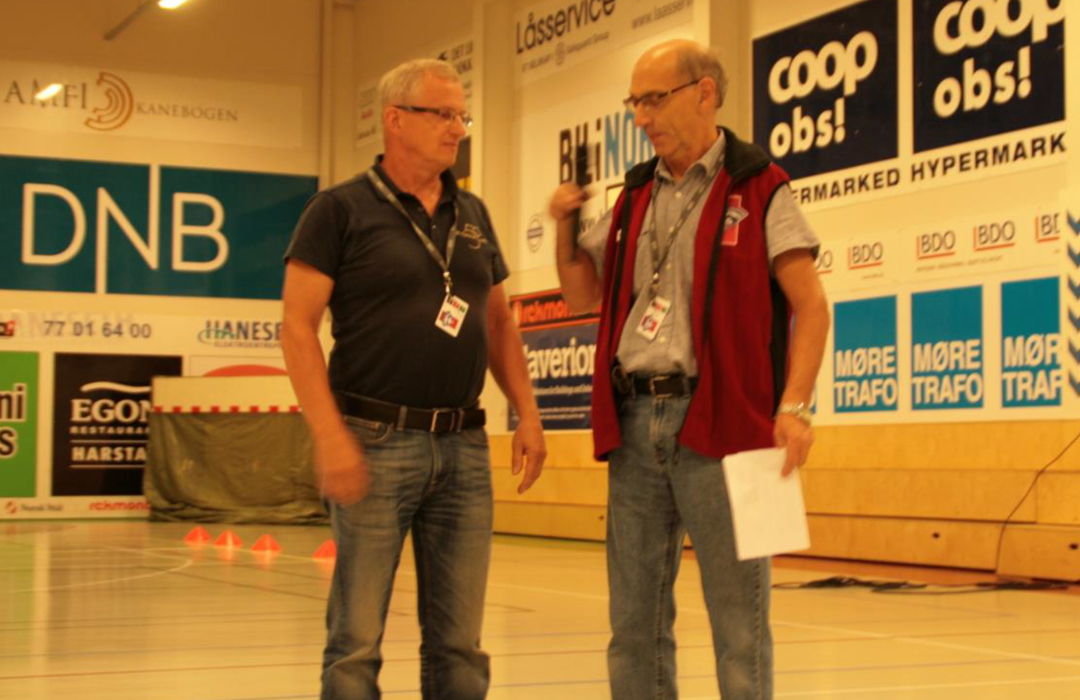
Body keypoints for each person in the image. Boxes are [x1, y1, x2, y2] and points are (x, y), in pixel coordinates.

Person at [548, 40, 829, 699]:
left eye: (654, 99)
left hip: (725, 424)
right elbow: (582, 294)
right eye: (635, 103)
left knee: (739, 623)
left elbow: (812, 307)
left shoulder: (760, 185)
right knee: (634, 625)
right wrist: (562, 224)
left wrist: (794, 406)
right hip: (635, 422)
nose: (641, 118)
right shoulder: (634, 196)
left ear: (706, 94)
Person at [281, 58, 546, 700]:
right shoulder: (338, 210)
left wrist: (529, 413)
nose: (458, 128)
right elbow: (296, 327)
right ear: (395, 120)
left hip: (464, 448)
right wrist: (330, 435)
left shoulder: (472, 212)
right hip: (374, 440)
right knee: (356, 643)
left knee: (460, 646)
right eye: (443, 114)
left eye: (462, 116)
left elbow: (498, 321)